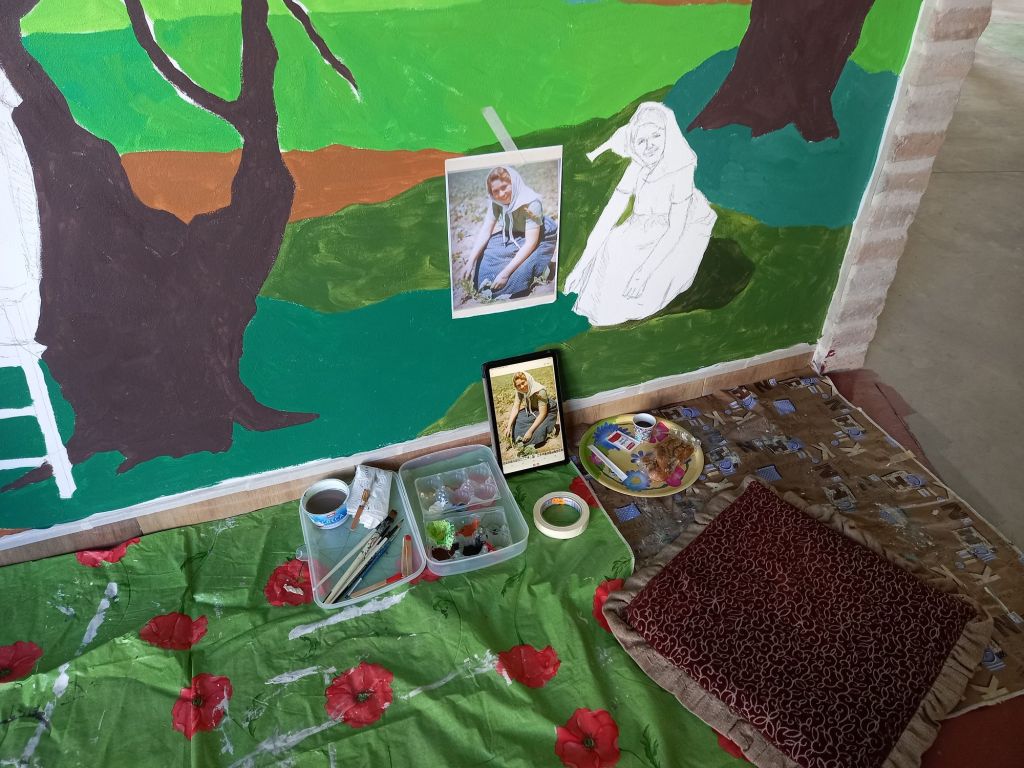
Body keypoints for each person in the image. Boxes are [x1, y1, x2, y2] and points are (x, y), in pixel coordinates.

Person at [564, 102, 717, 326]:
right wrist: (580, 267)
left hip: (676, 230)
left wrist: (642, 274)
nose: (649, 146)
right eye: (641, 141)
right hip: (642, 227)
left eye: (656, 136)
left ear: (667, 135)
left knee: (642, 282)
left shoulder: (680, 170)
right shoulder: (637, 168)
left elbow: (675, 229)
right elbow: (609, 215)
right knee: (612, 245)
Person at [460, 166, 558, 299]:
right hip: (515, 233)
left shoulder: (532, 203)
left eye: (504, 187)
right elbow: (485, 231)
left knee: (520, 274)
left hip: (538, 236)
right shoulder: (496, 202)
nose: (501, 194)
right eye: (495, 191)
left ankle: (541, 267)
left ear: (513, 183)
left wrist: (505, 273)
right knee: (487, 253)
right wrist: (470, 262)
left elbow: (530, 243)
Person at [502, 371, 558, 448]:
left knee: (538, 433)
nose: (522, 387)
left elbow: (542, 414)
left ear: (528, 380)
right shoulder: (520, 391)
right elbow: (515, 407)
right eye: (518, 385)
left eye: (523, 383)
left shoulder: (540, 391)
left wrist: (530, 431)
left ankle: (550, 428)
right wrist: (509, 426)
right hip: (534, 409)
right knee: (518, 419)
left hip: (547, 410)